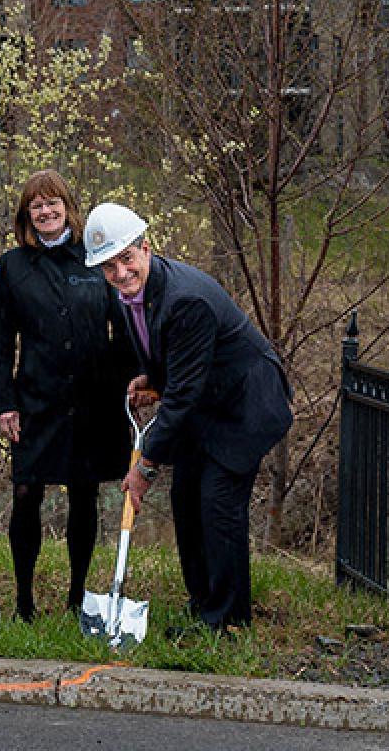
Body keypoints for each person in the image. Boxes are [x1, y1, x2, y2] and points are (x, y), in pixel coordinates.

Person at [83, 202, 294, 632]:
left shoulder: (186, 300)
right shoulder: (132, 295)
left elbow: (181, 397)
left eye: (126, 260)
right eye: (108, 267)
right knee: (186, 501)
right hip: (207, 408)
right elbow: (175, 364)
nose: (120, 274)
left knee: (218, 505)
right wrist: (151, 379)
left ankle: (229, 623)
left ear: (146, 248)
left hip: (243, 406)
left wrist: (144, 467)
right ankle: (203, 607)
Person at [0, 170, 133, 622]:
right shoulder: (13, 266)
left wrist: (135, 382)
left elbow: (123, 327)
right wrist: (4, 401)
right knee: (27, 493)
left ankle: (76, 597)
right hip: (36, 399)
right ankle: (24, 602)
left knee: (84, 496)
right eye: (36, 205)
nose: (46, 212)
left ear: (68, 207)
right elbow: (1, 340)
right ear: (26, 215)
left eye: (53, 203)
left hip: (94, 401)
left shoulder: (95, 258)